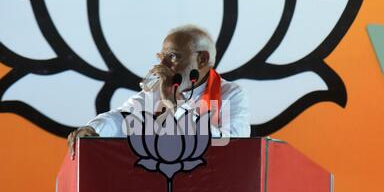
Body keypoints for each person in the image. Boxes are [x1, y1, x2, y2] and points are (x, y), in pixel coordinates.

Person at [67, 25, 250, 159]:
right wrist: (93, 128)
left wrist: (176, 106)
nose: (162, 65)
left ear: (202, 59)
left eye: (173, 56)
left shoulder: (231, 94)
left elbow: (233, 146)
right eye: (161, 57)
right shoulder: (157, 91)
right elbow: (123, 117)